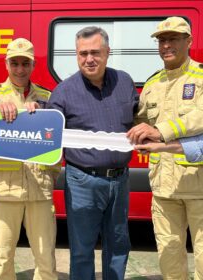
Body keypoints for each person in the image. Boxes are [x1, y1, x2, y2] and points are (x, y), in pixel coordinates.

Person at [47, 26, 139, 280]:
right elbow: (47, 129)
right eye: (83, 53)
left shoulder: (125, 82)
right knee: (82, 250)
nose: (89, 59)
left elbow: (139, 119)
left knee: (118, 245)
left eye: (95, 52)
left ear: (108, 52)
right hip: (82, 181)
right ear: (76, 55)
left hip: (120, 179)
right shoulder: (63, 91)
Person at [0, 38, 60, 280]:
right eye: (15, 63)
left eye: (25, 64)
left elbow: (60, 133)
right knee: (3, 258)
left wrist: (42, 114)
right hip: (5, 191)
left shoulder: (48, 97)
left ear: (33, 65)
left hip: (40, 190)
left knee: (46, 260)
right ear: (6, 64)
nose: (20, 69)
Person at [127, 16, 203, 280]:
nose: (166, 45)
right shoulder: (152, 84)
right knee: (169, 259)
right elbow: (141, 123)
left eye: (173, 39)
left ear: (189, 41)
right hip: (163, 188)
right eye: (162, 40)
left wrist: (161, 131)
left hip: (198, 187)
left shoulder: (201, 77)